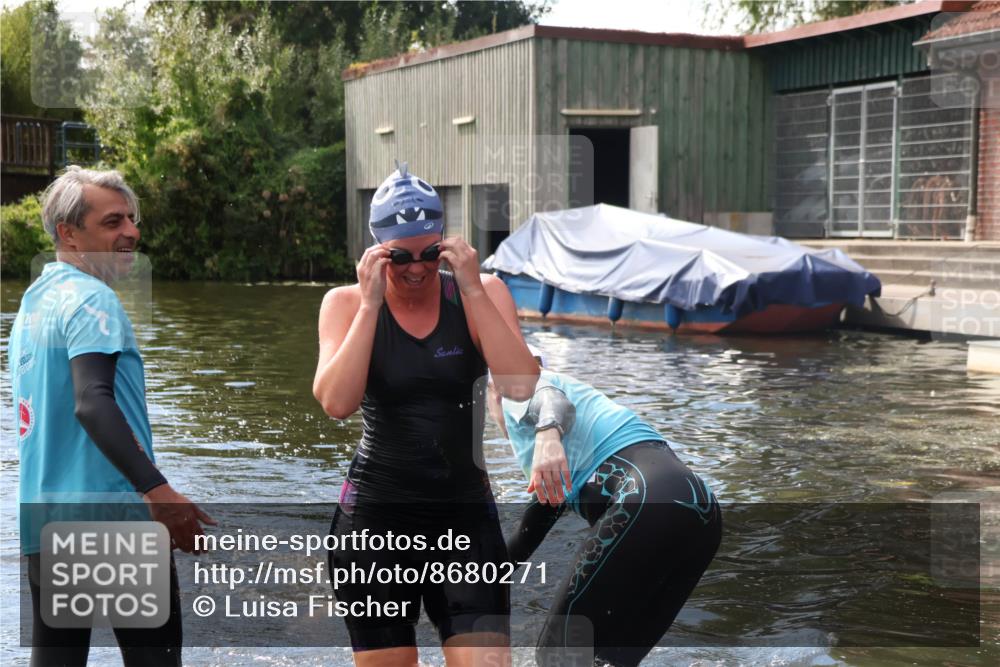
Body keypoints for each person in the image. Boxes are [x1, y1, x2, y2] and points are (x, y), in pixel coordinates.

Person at [312, 162, 538, 667]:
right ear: (376, 250)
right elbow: (335, 404)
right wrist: (371, 305)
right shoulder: (345, 304)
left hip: (465, 521)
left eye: (429, 253)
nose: (417, 268)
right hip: (374, 522)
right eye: (400, 257)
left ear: (444, 241)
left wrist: (474, 288)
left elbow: (521, 386)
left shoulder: (484, 292)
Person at [9, 166, 215, 667]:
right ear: (68, 233)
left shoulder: (34, 305)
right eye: (112, 222)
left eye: (131, 219)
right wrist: (159, 492)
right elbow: (92, 402)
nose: (131, 232)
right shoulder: (92, 299)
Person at [486, 349, 722, 667]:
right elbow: (525, 536)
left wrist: (548, 434)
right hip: (703, 513)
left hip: (645, 501)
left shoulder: (520, 390)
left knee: (556, 656)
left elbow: (551, 402)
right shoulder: (561, 447)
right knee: (604, 660)